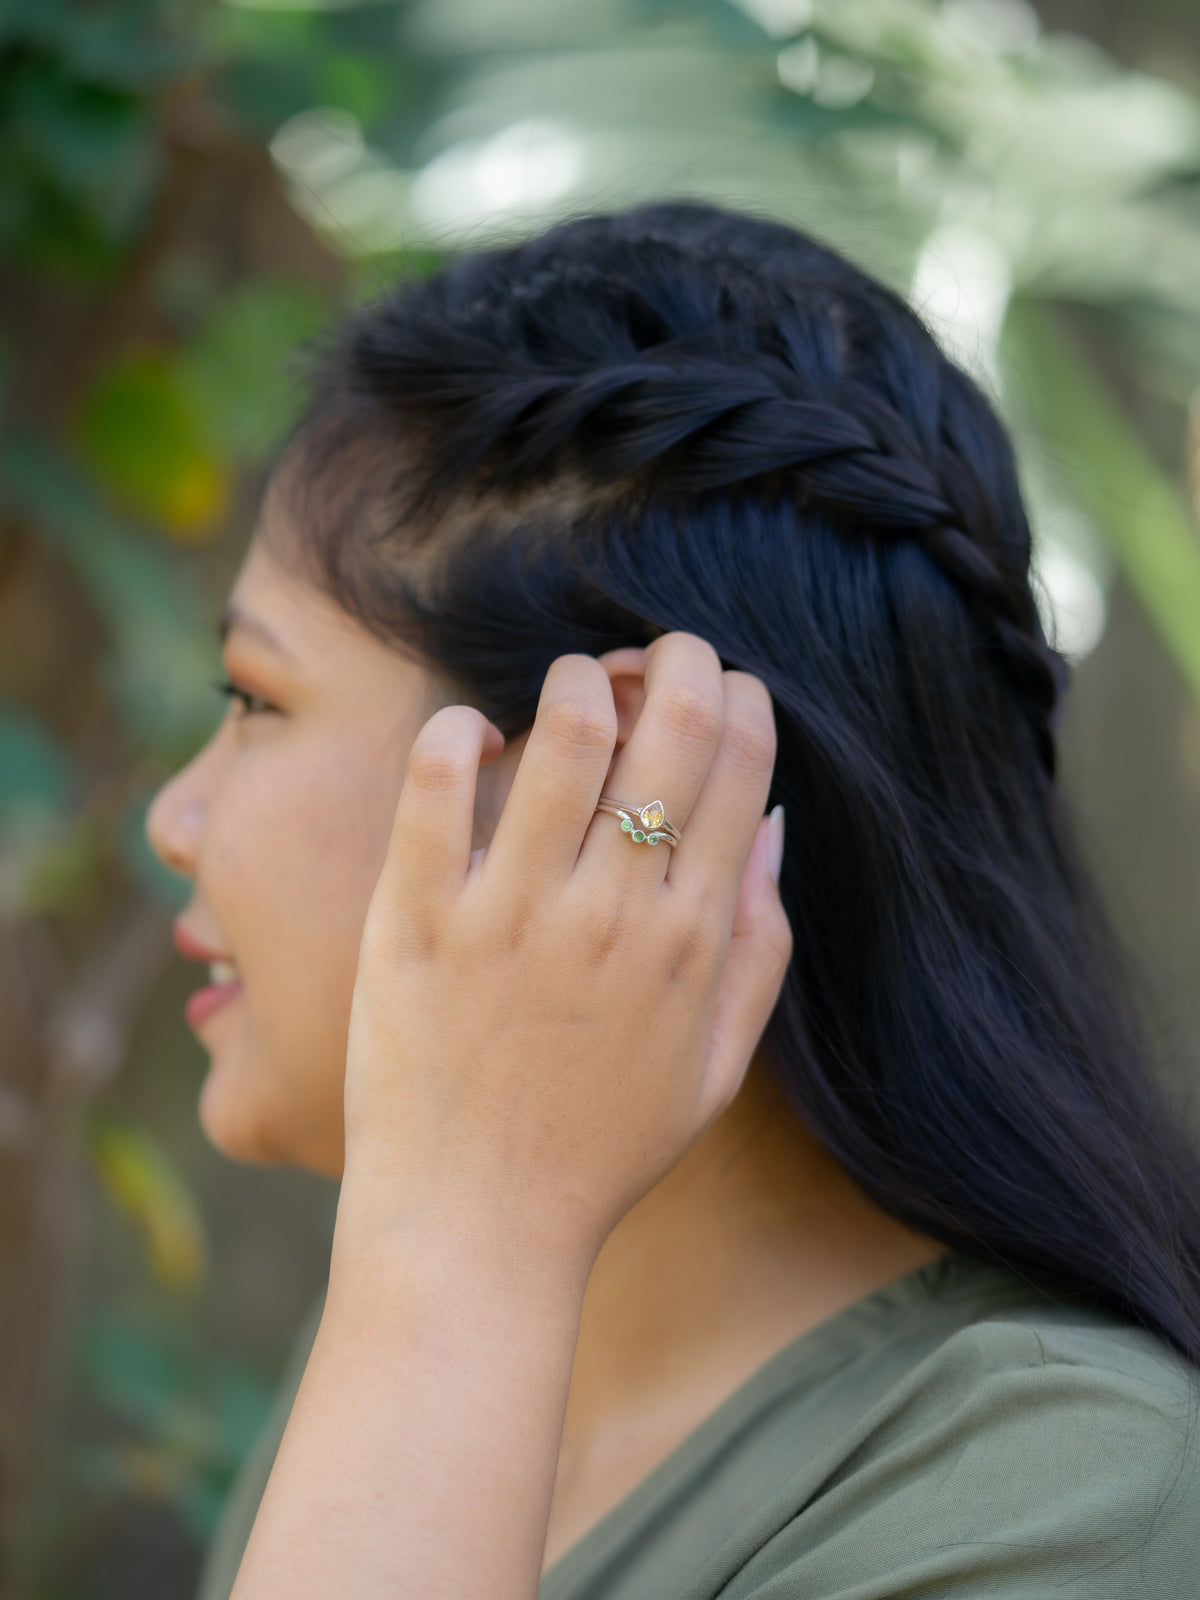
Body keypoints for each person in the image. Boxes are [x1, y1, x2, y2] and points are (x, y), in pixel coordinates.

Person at [147, 203, 1200, 1600]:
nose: (173, 816)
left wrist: (456, 1267)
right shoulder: (440, 1311)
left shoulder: (1061, 1492)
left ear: (621, 767)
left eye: (254, 701)